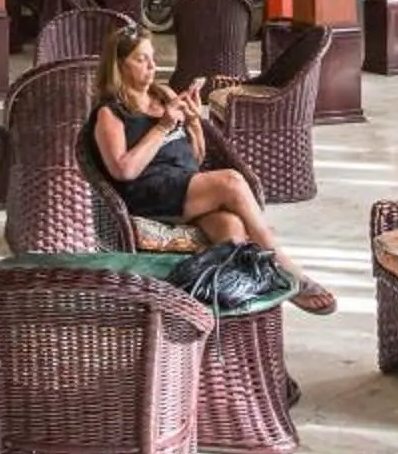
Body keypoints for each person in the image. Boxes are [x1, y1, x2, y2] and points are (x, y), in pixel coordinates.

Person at [87, 26, 335, 314]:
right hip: (147, 194)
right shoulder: (110, 112)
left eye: (152, 58)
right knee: (231, 181)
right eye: (142, 59)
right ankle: (287, 270)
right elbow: (123, 171)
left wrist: (193, 123)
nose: (153, 66)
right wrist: (163, 126)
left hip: (184, 187)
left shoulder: (163, 94)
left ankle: (227, 311)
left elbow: (196, 156)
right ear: (119, 65)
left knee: (232, 230)